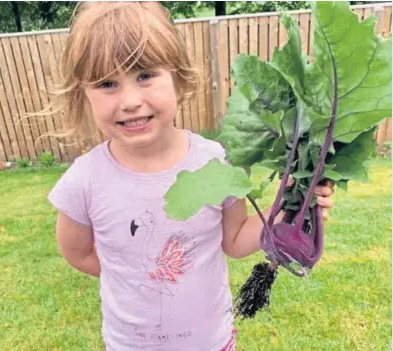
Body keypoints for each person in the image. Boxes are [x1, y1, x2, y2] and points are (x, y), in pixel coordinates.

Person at [47, 2, 334, 350]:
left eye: (145, 76)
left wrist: (292, 203)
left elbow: (235, 240)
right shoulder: (85, 180)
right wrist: (135, 277)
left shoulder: (216, 162)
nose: (130, 100)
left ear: (179, 80)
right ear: (84, 94)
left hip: (211, 342)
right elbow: (77, 253)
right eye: (107, 83)